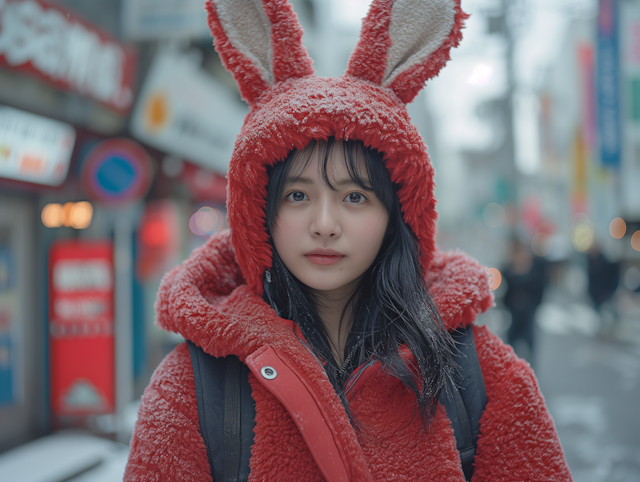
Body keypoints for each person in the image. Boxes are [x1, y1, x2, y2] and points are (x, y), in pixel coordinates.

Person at [124, 0, 571, 480]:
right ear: (258, 212)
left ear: (397, 214)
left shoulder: (478, 373)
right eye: (297, 195)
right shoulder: (195, 385)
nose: (324, 223)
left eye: (355, 197)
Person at [502, 237, 547, 364]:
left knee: (529, 339)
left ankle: (529, 367)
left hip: (529, 310)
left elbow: (539, 287)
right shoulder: (509, 267)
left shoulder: (534, 267)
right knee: (511, 340)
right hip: (514, 310)